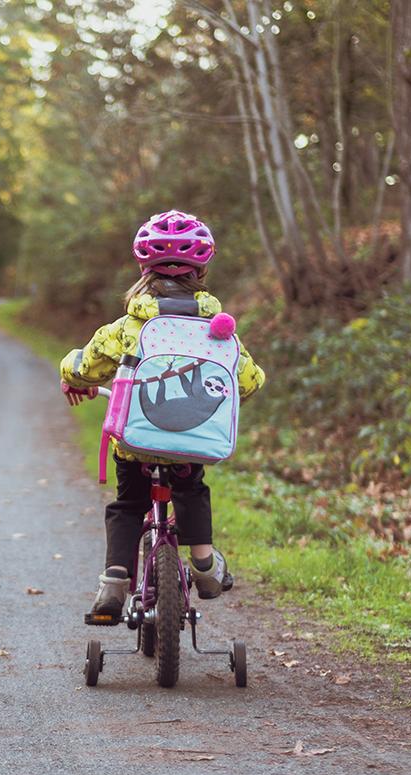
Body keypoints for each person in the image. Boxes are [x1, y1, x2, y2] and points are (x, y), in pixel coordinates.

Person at [60, 210, 265, 625]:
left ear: (142, 268)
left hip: (135, 444)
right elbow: (249, 380)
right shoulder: (217, 329)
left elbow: (87, 364)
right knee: (191, 490)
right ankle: (205, 565)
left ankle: (114, 582)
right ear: (202, 270)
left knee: (127, 504)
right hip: (190, 443)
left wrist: (70, 373)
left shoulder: (130, 326)